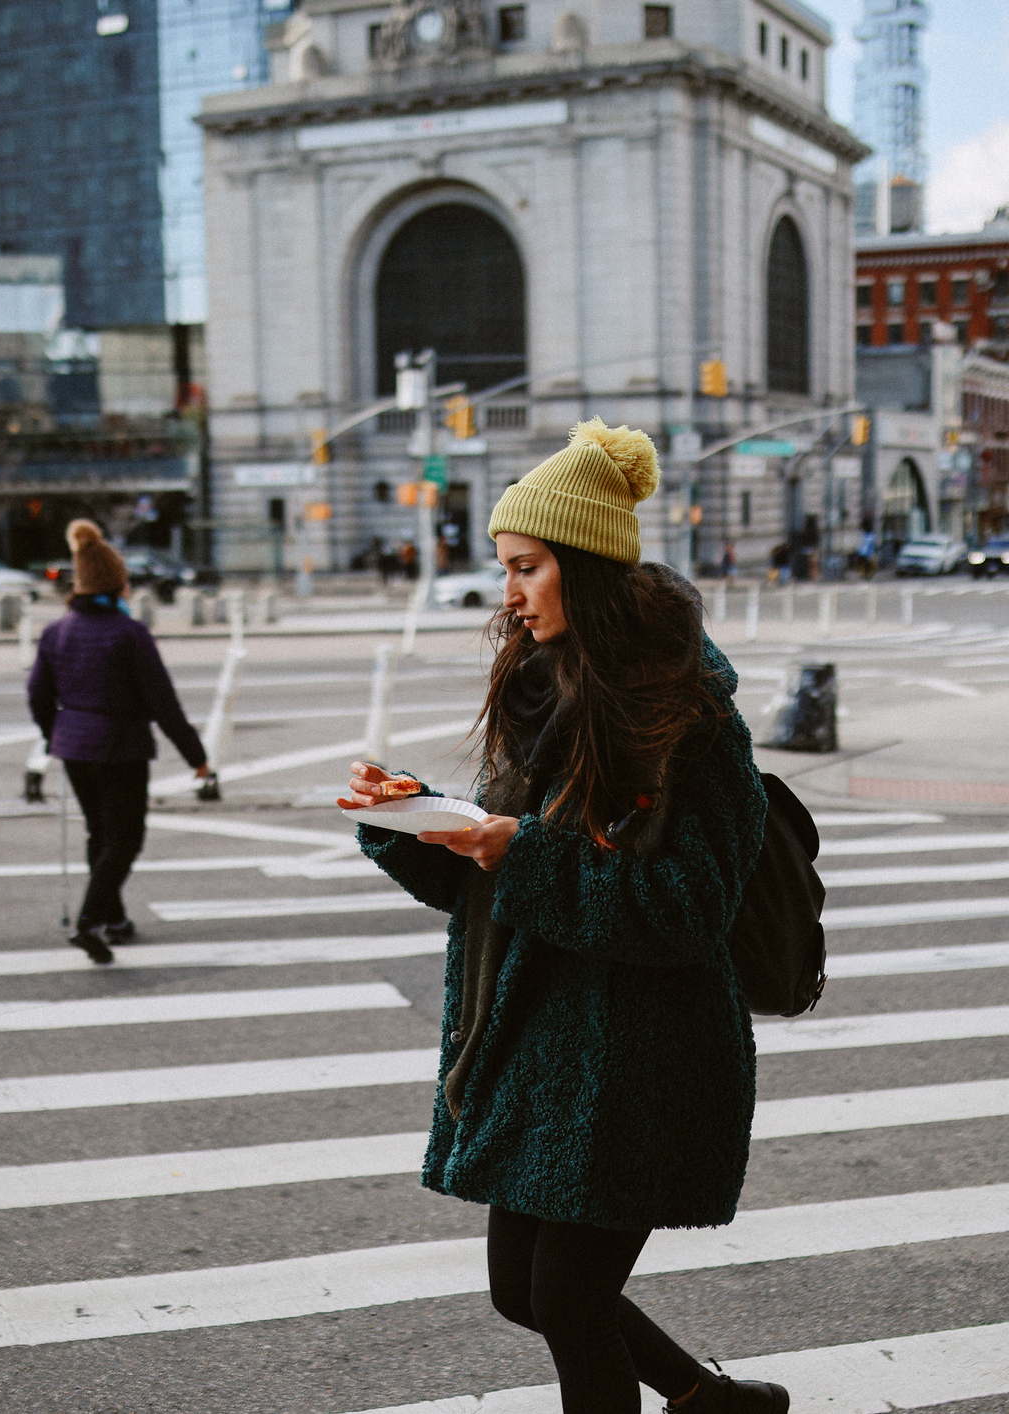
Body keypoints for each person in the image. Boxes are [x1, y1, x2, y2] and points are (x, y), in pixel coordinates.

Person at [340, 419, 781, 1414]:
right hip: (546, 1051)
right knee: (521, 1290)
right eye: (505, 568)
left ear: (580, 567)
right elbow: (498, 885)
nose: (510, 593)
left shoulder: (690, 721)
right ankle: (712, 1402)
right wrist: (419, 824)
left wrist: (518, 851)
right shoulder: (545, 694)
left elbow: (689, 909)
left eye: (527, 567)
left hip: (642, 1059)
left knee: (568, 1295)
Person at [27, 520, 210, 963]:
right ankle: (89, 922)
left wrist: (58, 736)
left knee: (99, 834)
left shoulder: (56, 632)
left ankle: (115, 919)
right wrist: (196, 757)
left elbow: (37, 695)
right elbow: (163, 702)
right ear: (117, 584)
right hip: (122, 747)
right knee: (125, 840)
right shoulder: (130, 634)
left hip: (75, 747)